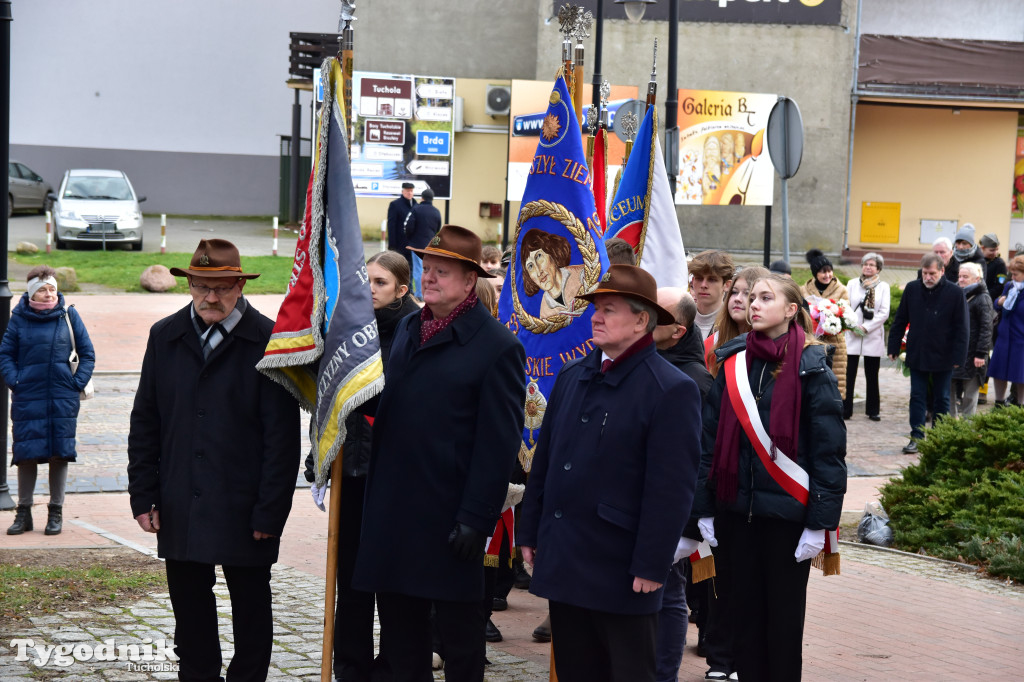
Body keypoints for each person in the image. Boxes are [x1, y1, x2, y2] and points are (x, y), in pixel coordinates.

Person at [352, 225, 526, 682]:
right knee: (402, 643)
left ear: (470, 281)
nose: (429, 279)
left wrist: (477, 517)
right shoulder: (411, 326)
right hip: (396, 512)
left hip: (450, 519)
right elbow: (395, 403)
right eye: (426, 269)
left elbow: (499, 442)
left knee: (461, 645)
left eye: (441, 272)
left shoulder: (497, 347)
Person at [127, 239, 301, 681]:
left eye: (221, 288)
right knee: (190, 610)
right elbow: (145, 419)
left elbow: (282, 440)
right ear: (188, 285)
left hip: (245, 505)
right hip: (180, 499)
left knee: (251, 609)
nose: (210, 297)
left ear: (240, 285)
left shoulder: (268, 341)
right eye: (201, 286)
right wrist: (143, 493)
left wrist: (270, 510)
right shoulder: (165, 336)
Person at [519, 265, 702, 682]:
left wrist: (652, 564)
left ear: (642, 320)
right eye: (596, 308)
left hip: (621, 567)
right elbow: (545, 461)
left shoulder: (670, 388)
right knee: (575, 670)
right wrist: (529, 530)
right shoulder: (573, 375)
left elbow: (670, 488)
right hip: (566, 556)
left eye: (610, 309)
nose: (595, 317)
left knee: (628, 672)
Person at [693, 274, 846, 681]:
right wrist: (704, 509)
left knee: (781, 625)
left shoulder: (813, 368)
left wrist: (820, 523)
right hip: (735, 512)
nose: (753, 304)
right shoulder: (732, 362)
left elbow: (828, 455)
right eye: (749, 297)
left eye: (765, 297)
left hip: (787, 521)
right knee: (742, 621)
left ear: (791, 310)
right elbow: (708, 444)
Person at [303, 250, 419, 682]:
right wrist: (320, 451)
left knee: (391, 579)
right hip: (350, 471)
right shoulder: (348, 328)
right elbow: (330, 399)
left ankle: (393, 665)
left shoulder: (413, 334)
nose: (370, 289)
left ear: (401, 290)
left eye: (381, 283)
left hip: (394, 478)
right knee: (349, 577)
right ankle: (351, 664)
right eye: (366, 280)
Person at [695, 264, 768, 681]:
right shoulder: (714, 345)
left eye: (753, 294)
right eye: (738, 292)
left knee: (748, 576)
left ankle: (738, 653)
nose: (742, 300)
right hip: (718, 467)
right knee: (718, 570)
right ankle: (717, 649)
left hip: (757, 473)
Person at [1, 266, 95, 536]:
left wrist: (75, 383)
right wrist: (14, 381)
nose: (48, 293)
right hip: (27, 395)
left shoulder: (68, 314)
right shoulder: (19, 318)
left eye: (52, 288)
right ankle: (24, 513)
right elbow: (6, 353)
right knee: (26, 453)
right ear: (32, 292)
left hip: (61, 396)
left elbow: (87, 353)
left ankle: (56, 512)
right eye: (42, 289)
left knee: (59, 452)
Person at [651, 286, 711, 682]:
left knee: (669, 594)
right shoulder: (651, 364)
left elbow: (700, 459)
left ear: (677, 330)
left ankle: (662, 674)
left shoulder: (693, 380)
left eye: (656, 313)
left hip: (669, 511)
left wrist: (687, 527)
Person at [887, 253, 969, 454]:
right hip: (918, 352)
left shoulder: (955, 293)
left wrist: (959, 356)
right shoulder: (912, 289)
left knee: (942, 397)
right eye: (925, 273)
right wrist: (893, 347)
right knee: (917, 396)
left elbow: (962, 328)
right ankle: (917, 436)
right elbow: (900, 319)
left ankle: (938, 436)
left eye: (932, 273)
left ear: (942, 271)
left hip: (944, 354)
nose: (928, 277)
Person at [844, 252, 890, 421]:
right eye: (865, 264)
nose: (868, 267)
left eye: (872, 265)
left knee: (872, 375)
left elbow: (884, 312)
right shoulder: (851, 284)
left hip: (872, 335)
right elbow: (846, 306)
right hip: (852, 333)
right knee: (849, 374)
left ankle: (873, 410)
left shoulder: (883, 287)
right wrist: (852, 325)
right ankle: (846, 409)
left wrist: (866, 327)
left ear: (878, 269)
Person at [801, 249, 849, 403]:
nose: (827, 275)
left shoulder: (841, 290)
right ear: (815, 273)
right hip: (811, 340)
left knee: (835, 380)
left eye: (829, 271)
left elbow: (846, 314)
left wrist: (832, 316)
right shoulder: (804, 290)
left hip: (834, 340)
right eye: (823, 272)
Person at [951, 262, 993, 418]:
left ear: (976, 279)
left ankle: (967, 430)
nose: (961, 280)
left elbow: (986, 328)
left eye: (965, 277)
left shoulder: (983, 298)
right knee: (949, 392)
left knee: (970, 395)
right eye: (960, 276)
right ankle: (949, 427)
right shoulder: (955, 294)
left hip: (974, 354)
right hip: (955, 351)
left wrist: (981, 354)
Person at [519, 228, 586, 319]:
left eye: (539, 256)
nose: (539, 272)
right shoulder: (544, 311)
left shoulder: (583, 275)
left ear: (551, 252)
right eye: (530, 266)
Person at [989, 255, 1024, 408]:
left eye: (1016, 273)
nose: (1012, 276)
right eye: (1012, 273)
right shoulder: (1009, 286)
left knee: (1020, 375)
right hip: (1004, 336)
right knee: (999, 371)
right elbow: (997, 304)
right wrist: (999, 302)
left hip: (1021, 339)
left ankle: (1021, 406)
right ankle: (999, 402)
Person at [688, 250, 735, 341]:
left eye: (712, 280)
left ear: (727, 285)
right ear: (693, 282)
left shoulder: (733, 324)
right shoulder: (681, 318)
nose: (703, 285)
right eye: (699, 278)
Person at [408, 188, 443, 296]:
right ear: (432, 199)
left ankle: (419, 294)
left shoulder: (416, 209)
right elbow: (438, 228)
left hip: (416, 245)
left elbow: (409, 227)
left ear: (422, 198)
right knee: (430, 270)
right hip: (431, 246)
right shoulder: (436, 212)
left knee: (418, 270)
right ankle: (430, 292)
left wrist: (410, 238)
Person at [387, 182, 417, 266]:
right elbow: (391, 225)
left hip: (413, 245)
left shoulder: (416, 205)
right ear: (402, 191)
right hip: (400, 244)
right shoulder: (395, 205)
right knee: (399, 268)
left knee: (411, 268)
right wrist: (392, 244)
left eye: (411, 191)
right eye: (407, 191)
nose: (409, 193)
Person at [980, 232, 1008, 303]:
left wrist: (984, 297)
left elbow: (1000, 286)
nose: (995, 253)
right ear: (983, 248)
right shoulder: (977, 261)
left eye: (996, 249)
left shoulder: (999, 264)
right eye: (992, 250)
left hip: (990, 301)